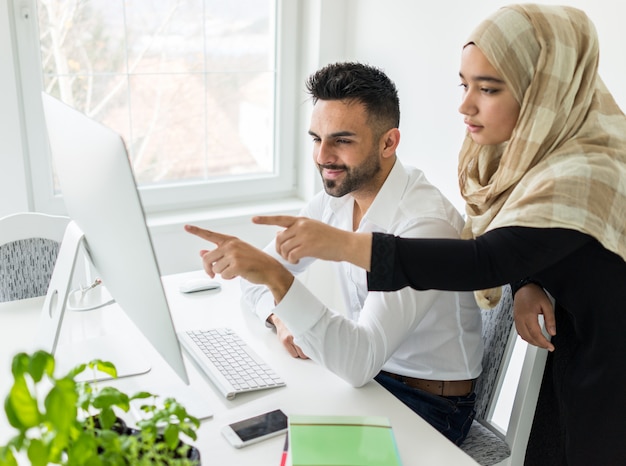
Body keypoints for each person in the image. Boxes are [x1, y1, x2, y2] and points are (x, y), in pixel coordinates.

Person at [253, 5, 626, 465]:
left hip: (609, 360)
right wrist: (527, 279)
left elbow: (479, 259)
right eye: (464, 85)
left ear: (543, 91)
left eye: (487, 89)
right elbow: (522, 236)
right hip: (568, 342)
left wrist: (345, 246)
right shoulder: (528, 157)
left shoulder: (585, 171)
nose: (464, 105)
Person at [185, 62, 483, 446]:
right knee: (235, 432)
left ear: (388, 143)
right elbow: (254, 282)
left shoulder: (424, 225)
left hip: (426, 406)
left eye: (341, 141)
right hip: (369, 381)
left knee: (271, 448)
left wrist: (277, 279)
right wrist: (279, 317)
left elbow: (358, 362)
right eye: (316, 139)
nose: (323, 156)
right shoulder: (336, 200)